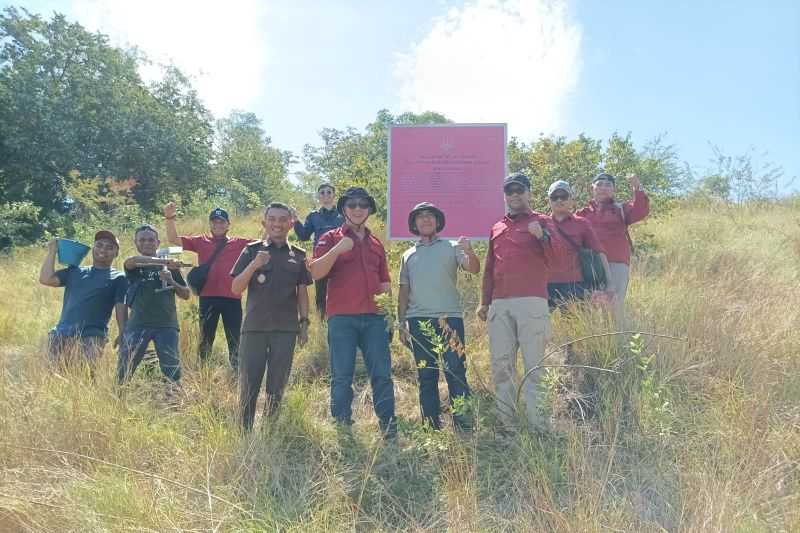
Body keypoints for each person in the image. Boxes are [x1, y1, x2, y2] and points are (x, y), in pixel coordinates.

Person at [476, 172, 563, 433]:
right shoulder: (497, 227)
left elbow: (559, 259)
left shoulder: (543, 221)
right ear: (505, 195)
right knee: (501, 364)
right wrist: (484, 301)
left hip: (532, 302)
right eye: (510, 191)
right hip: (500, 304)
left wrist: (543, 237)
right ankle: (508, 422)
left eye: (519, 190)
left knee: (534, 364)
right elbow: (490, 268)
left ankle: (539, 425)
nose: (514, 195)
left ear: (529, 193)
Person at [309, 187, 397, 438]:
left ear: (369, 209)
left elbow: (385, 282)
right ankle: (343, 430)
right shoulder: (330, 238)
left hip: (374, 319)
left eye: (363, 205)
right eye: (352, 204)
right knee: (341, 376)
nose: (357, 209)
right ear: (343, 209)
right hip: (342, 319)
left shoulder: (376, 243)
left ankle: (389, 429)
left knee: (382, 375)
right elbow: (315, 272)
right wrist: (337, 250)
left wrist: (390, 317)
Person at [397, 202, 480, 431]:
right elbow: (403, 291)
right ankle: (431, 428)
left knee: (456, 372)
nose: (425, 220)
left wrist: (470, 250)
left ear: (437, 221)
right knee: (426, 375)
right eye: (420, 216)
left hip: (449, 321)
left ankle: (464, 426)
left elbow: (474, 268)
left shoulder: (453, 247)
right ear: (414, 223)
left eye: (430, 216)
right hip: (417, 322)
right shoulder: (407, 254)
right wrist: (400, 322)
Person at [231, 203, 312, 430]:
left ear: (291, 224)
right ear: (264, 223)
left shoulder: (298, 255)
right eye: (273, 219)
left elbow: (303, 293)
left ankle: (269, 432)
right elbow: (236, 288)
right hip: (254, 328)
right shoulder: (250, 250)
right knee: (249, 384)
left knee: (277, 386)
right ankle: (244, 432)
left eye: (282, 219)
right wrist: (255, 265)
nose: (277, 224)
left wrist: (304, 323)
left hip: (285, 330)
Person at [164, 203, 250, 370]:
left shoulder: (239, 242)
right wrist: (169, 218)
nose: (218, 225)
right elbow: (174, 240)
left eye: (221, 222)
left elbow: (264, 243)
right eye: (214, 221)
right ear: (210, 223)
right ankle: (203, 373)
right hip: (207, 297)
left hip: (232, 297)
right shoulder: (200, 241)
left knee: (234, 338)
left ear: (228, 225)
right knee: (205, 338)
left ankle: (237, 372)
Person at [39, 231, 128, 366]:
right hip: (60, 334)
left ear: (116, 253)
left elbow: (121, 306)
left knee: (84, 378)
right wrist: (52, 251)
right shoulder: (75, 271)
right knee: (52, 379)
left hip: (92, 337)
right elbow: (46, 279)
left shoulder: (119, 278)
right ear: (93, 248)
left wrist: (123, 332)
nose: (103, 249)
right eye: (99, 245)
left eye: (110, 247)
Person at [117, 224, 190, 386]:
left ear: (158, 243)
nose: (146, 243)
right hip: (137, 325)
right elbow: (132, 261)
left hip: (167, 325)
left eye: (151, 240)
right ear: (136, 243)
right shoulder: (134, 266)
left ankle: (175, 405)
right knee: (124, 370)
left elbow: (186, 294)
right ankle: (116, 403)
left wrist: (171, 279)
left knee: (172, 372)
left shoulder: (170, 267)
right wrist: (162, 261)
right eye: (142, 240)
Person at [576, 173, 650, 323]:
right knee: (590, 307)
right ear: (592, 188)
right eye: (600, 184)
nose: (603, 187)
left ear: (614, 190)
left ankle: (614, 343)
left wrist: (637, 187)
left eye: (608, 185)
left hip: (616, 264)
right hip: (589, 266)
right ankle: (593, 343)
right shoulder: (582, 214)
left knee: (613, 307)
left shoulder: (621, 209)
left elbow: (641, 210)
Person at [545, 180, 611, 310]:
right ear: (549, 201)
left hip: (575, 285)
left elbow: (599, 252)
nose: (559, 200)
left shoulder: (582, 224)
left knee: (575, 327)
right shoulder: (541, 223)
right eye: (554, 197)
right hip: (547, 286)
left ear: (571, 200)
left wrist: (609, 283)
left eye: (563, 196)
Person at [292, 183, 344, 318]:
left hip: (341, 260)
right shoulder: (313, 216)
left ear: (334, 195)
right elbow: (304, 236)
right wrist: (296, 221)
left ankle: (339, 320)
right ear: (318, 196)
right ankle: (322, 324)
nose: (325, 195)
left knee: (341, 291)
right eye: (322, 192)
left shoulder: (343, 214)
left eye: (329, 192)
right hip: (320, 261)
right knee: (321, 294)